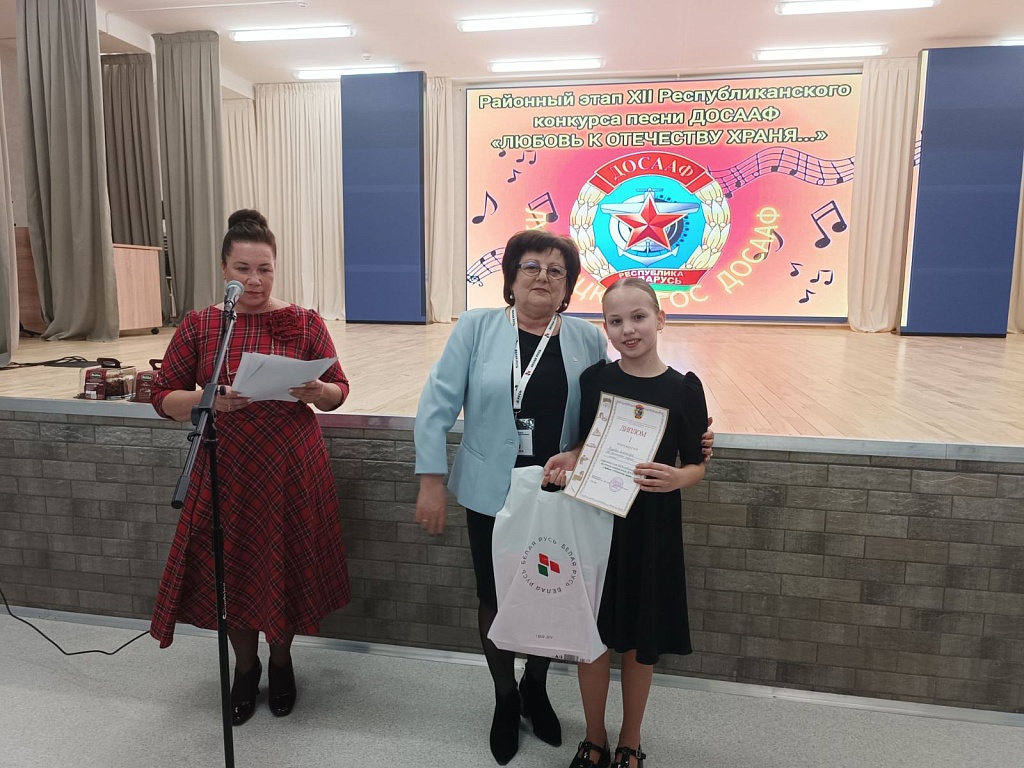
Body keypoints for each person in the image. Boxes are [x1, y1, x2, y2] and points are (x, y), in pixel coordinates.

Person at [414, 231, 714, 765]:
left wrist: (694, 439)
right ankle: (506, 698)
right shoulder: (476, 326)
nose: (543, 278)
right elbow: (436, 403)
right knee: (496, 593)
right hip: (491, 488)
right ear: (511, 276)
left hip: (562, 490)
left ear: (569, 287)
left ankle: (536, 687)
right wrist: (430, 479)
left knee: (552, 587)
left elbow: (613, 407)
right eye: (531, 266)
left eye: (557, 271)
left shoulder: (585, 338)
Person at [149, 209, 351, 727]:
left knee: (284, 565)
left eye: (264, 269)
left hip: (290, 467)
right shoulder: (202, 326)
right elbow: (163, 396)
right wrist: (208, 398)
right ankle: (246, 667)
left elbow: (339, 392)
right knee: (231, 570)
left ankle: (281, 663)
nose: (255, 280)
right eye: (243, 269)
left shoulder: (305, 321)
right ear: (224, 269)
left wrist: (318, 390)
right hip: (227, 467)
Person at [544, 278, 709, 768]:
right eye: (615, 321)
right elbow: (584, 444)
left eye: (639, 317)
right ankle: (594, 739)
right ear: (606, 328)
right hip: (596, 523)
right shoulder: (594, 380)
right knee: (592, 635)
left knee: (640, 640)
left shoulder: (684, 389)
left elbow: (697, 464)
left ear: (661, 319)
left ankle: (630, 741)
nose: (628, 329)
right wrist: (570, 458)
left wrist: (679, 477)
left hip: (652, 529)